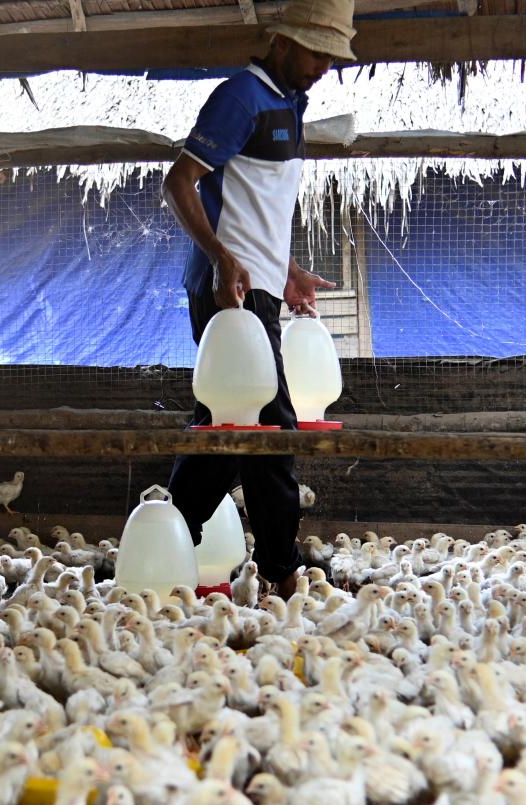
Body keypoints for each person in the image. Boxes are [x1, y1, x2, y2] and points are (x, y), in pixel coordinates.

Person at [163, 0, 356, 599]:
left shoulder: (290, 106)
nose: (324, 65)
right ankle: (280, 571)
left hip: (260, 289)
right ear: (282, 41)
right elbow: (179, 182)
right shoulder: (241, 97)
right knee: (271, 428)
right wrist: (223, 261)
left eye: (331, 55)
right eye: (315, 51)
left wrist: (288, 270)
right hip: (231, 295)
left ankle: (164, 540)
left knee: (230, 430)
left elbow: (256, 213)